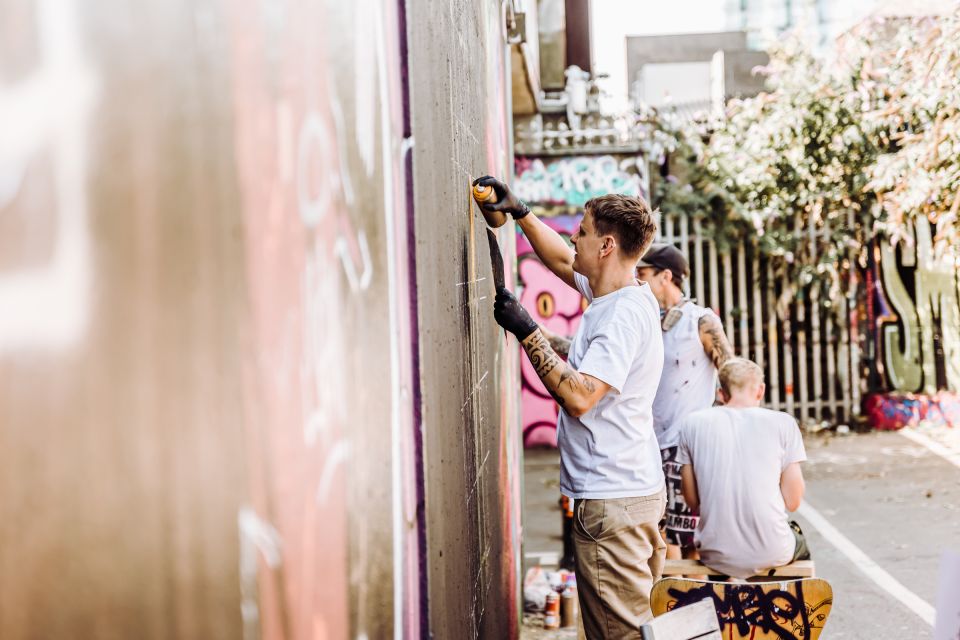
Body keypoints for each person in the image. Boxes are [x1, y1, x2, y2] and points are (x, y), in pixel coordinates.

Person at [475, 175, 666, 635]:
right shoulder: (617, 292)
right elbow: (560, 258)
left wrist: (527, 331)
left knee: (619, 634)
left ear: (605, 246)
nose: (573, 238)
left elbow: (581, 397)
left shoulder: (620, 317)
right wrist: (520, 212)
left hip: (612, 503)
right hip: (629, 494)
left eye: (581, 231)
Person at [635, 244, 734, 563]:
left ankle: (691, 607)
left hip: (687, 448)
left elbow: (731, 373)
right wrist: (540, 335)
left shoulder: (700, 321)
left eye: (643, 273)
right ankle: (674, 605)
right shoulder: (646, 322)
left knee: (689, 540)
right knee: (658, 537)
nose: (637, 280)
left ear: (666, 276)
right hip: (649, 447)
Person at [677, 358, 810, 579]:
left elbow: (692, 501)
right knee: (799, 543)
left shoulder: (692, 424)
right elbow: (794, 502)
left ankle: (722, 605)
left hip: (714, 552)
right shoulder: (783, 423)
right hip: (773, 549)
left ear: (721, 393)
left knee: (723, 558)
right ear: (761, 390)